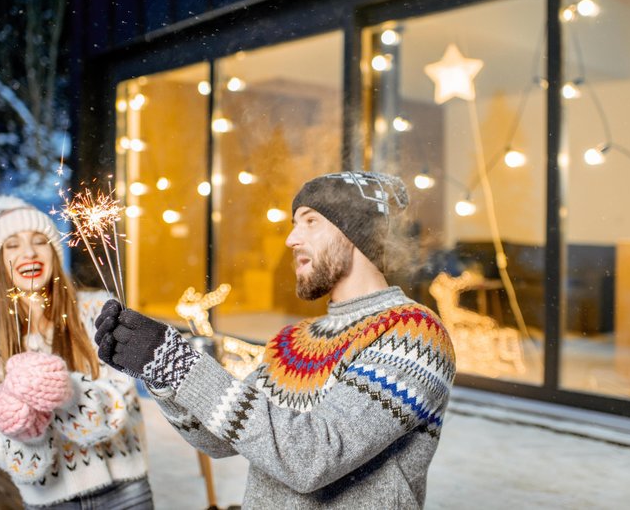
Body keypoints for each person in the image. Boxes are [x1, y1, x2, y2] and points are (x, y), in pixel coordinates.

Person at [95, 171, 456, 509]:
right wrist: (157, 372)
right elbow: (218, 440)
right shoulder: (293, 340)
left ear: (356, 233)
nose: (291, 239)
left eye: (311, 221)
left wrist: (178, 363)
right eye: (294, 223)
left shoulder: (413, 334)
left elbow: (313, 457)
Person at [0, 195, 153, 509]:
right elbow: (3, 450)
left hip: (126, 494)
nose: (28, 252)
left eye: (39, 241)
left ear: (54, 251)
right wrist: (25, 429)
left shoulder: (98, 310)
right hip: (51, 502)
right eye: (12, 245)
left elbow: (124, 402)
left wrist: (68, 393)